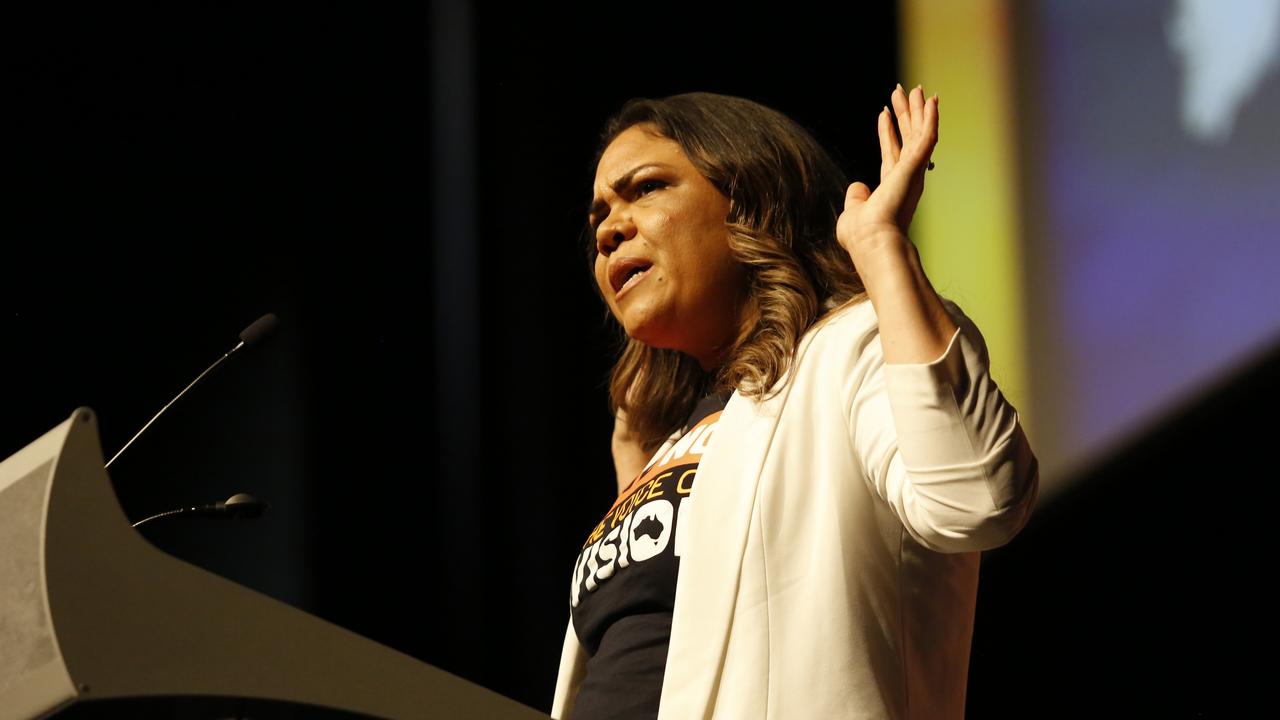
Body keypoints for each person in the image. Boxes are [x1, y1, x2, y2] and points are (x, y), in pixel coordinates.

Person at [552, 85, 1039, 720]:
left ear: (748, 197)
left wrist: (881, 250)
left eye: (645, 188)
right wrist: (634, 465)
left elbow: (979, 498)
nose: (611, 229)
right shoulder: (667, 441)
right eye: (598, 217)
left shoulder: (854, 346)